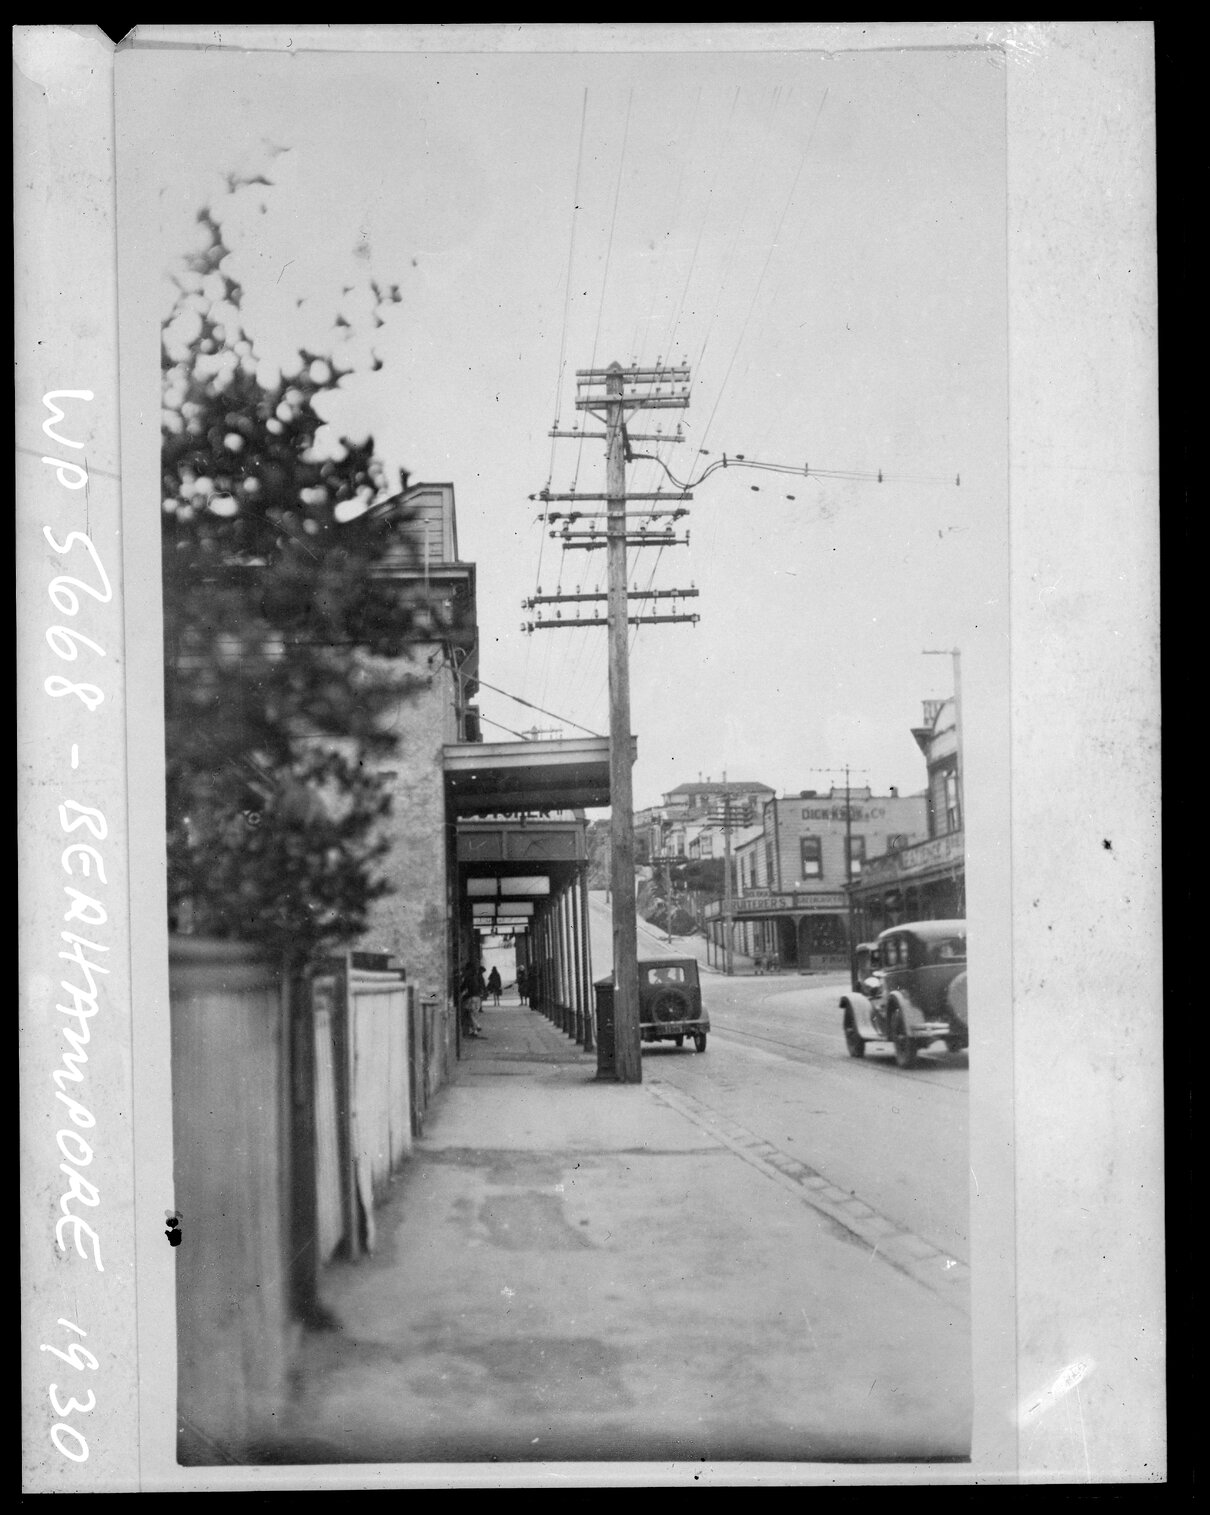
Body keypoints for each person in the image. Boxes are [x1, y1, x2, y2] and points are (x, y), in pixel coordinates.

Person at [459, 960, 485, 1039]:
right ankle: (475, 1030)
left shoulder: (468, 977)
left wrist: (461, 993)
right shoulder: (476, 976)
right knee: (473, 1014)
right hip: (477, 998)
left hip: (472, 998)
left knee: (470, 1014)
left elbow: (463, 987)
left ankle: (476, 1027)